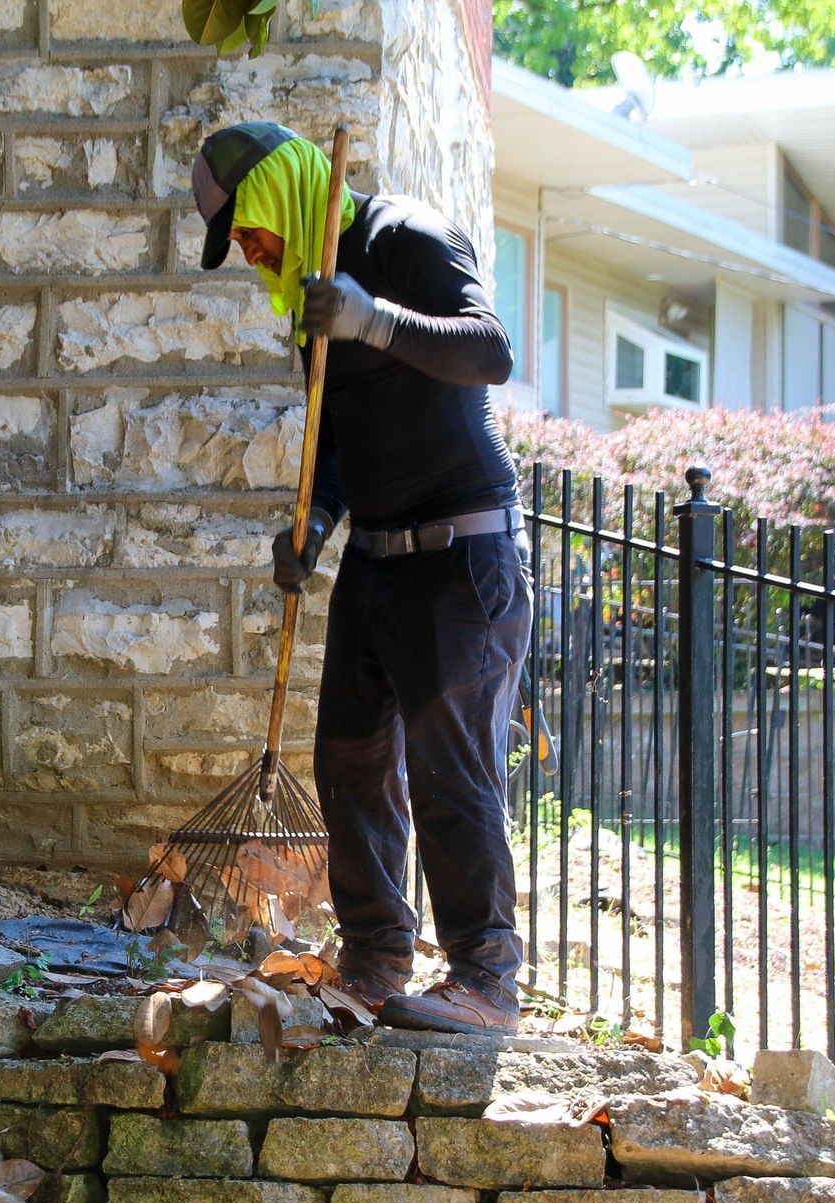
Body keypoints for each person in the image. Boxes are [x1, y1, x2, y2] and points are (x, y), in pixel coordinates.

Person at [189, 121, 534, 1035]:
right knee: (348, 757)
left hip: (465, 556)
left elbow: (491, 351)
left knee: (449, 768)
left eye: (248, 229)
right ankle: (377, 958)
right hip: (376, 560)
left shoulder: (406, 239)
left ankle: (486, 982)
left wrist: (370, 317)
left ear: (281, 196)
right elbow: (331, 451)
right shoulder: (310, 305)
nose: (250, 253)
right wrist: (311, 527)